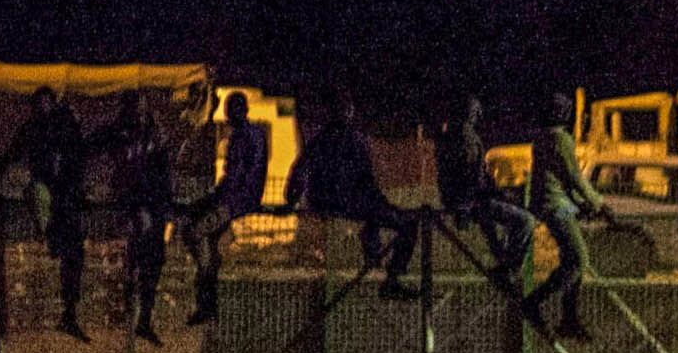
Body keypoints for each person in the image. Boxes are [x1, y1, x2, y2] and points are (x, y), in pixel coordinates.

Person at [0, 85, 99, 336]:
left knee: (74, 254)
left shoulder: (64, 128)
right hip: (52, 196)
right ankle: (50, 235)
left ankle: (69, 311)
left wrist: (80, 189)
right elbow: (8, 158)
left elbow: (79, 159)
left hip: (65, 198)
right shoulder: (34, 131)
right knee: (37, 192)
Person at [287, 92, 424, 303]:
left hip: (332, 201)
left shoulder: (322, 140)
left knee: (383, 216)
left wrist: (291, 200)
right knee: (407, 225)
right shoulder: (351, 140)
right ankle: (391, 278)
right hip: (347, 201)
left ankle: (375, 252)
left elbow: (300, 169)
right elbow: (366, 181)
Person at [182, 89, 276, 328]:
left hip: (235, 200)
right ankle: (208, 283)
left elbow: (237, 175)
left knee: (195, 232)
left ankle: (206, 280)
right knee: (206, 236)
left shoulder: (245, 136)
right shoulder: (251, 134)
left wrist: (218, 197)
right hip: (237, 197)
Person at [435, 96, 536, 298]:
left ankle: (503, 266)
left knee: (497, 222)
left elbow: (458, 176)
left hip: (465, 200)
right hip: (472, 201)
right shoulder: (466, 137)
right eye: (474, 111)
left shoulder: (450, 134)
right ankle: (507, 269)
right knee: (525, 221)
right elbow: (471, 177)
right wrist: (473, 201)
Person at [523, 117, 611, 340]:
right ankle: (534, 303)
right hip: (556, 206)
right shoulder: (560, 138)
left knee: (572, 261)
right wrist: (598, 203)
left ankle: (569, 318)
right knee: (579, 260)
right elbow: (573, 176)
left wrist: (582, 204)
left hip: (551, 203)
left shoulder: (541, 138)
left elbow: (559, 177)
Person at [100, 96, 179, 344]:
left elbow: (164, 170)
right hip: (136, 202)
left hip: (153, 203)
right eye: (136, 112)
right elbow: (123, 168)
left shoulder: (154, 138)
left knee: (153, 258)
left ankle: (143, 315)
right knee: (140, 244)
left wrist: (165, 201)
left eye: (143, 112)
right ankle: (131, 299)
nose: (139, 117)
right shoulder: (123, 138)